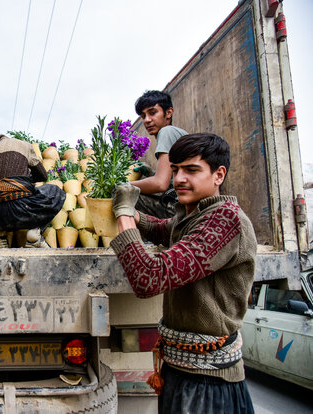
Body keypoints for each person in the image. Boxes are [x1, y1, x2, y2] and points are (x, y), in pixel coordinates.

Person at [110, 134, 256, 413]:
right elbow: (166, 228)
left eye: (191, 170)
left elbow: (149, 278)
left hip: (208, 385)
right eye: (175, 169)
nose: (178, 179)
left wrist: (125, 216)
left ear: (218, 175)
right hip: (184, 373)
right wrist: (138, 217)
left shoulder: (225, 220)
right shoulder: (195, 216)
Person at [0, 134, 65, 248]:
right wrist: (24, 178)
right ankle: (34, 235)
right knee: (55, 191)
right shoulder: (23, 145)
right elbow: (42, 175)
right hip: (19, 211)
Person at [131, 90, 189, 218]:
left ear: (168, 112)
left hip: (180, 209)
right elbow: (172, 179)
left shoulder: (167, 132)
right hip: (187, 206)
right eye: (143, 116)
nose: (147, 120)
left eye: (152, 113)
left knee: (122, 195)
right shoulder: (176, 133)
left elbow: (160, 184)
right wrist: (151, 172)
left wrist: (122, 186)